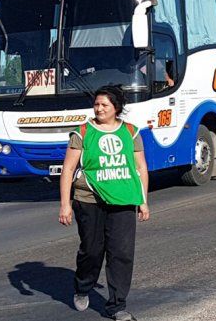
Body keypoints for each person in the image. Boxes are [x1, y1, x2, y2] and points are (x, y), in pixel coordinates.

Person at [59, 85, 150, 321]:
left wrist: (143, 201)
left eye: (104, 105)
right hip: (89, 200)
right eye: (97, 104)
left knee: (121, 253)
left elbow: (141, 168)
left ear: (116, 108)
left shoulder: (130, 132)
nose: (99, 109)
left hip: (123, 199)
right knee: (92, 250)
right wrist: (65, 205)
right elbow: (68, 169)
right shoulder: (83, 132)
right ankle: (83, 286)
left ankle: (117, 306)